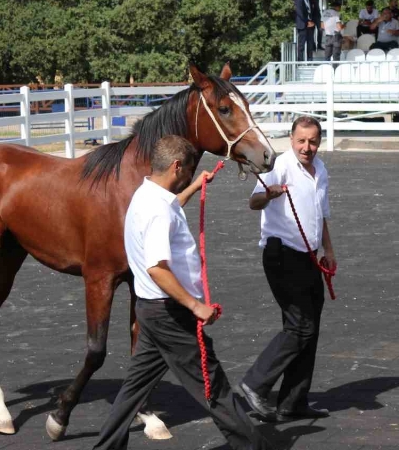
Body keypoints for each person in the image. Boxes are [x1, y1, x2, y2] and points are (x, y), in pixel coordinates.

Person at [92, 136, 272, 450]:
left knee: (135, 387)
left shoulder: (147, 194)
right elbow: (157, 268)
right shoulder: (158, 211)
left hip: (150, 310)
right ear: (177, 166)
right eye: (188, 171)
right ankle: (251, 445)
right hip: (170, 314)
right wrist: (195, 305)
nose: (189, 175)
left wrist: (196, 185)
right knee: (212, 384)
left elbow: (171, 206)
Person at [241, 116, 336, 423]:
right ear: (292, 140)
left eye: (312, 141)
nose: (306, 147)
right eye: (301, 141)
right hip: (281, 254)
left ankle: (293, 402)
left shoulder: (320, 169)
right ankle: (255, 383)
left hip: (309, 257)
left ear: (318, 141)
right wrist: (268, 195)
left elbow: (321, 215)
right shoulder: (280, 165)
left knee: (311, 328)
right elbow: (253, 202)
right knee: (300, 326)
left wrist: (329, 250)